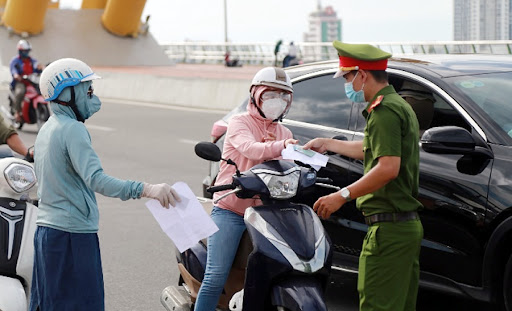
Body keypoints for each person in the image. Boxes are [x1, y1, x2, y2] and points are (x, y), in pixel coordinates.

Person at [29, 58, 181, 311]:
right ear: (67, 92)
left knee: (50, 304)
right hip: (72, 235)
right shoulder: (72, 130)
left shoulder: (48, 128)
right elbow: (97, 179)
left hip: (47, 233)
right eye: (87, 91)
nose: (92, 97)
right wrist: (146, 189)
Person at [303, 41, 423, 311]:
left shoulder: (384, 111)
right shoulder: (398, 105)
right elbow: (374, 150)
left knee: (377, 305)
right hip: (402, 228)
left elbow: (388, 168)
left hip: (389, 231)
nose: (347, 84)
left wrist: (340, 196)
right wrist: (328, 143)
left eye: (347, 76)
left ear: (363, 74)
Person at [194, 67, 298, 310]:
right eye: (270, 94)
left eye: (283, 96)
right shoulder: (239, 122)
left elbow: (289, 169)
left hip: (266, 214)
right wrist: (280, 146)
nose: (277, 101)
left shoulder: (285, 131)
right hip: (232, 209)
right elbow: (250, 149)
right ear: (255, 95)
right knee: (215, 277)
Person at [9, 40, 43, 123]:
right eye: (25, 51)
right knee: (20, 92)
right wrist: (16, 75)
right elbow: (13, 70)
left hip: (31, 82)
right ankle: (17, 113)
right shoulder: (15, 61)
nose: (27, 53)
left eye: (28, 51)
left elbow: (38, 67)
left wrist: (43, 68)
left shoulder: (32, 60)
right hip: (20, 82)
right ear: (20, 51)